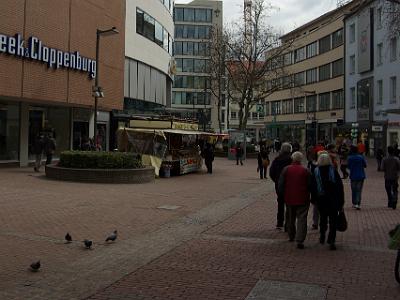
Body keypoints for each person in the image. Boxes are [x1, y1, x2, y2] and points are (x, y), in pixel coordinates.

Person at [278, 152, 312, 249]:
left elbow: (281, 184)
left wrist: (282, 194)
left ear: (292, 159)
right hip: (303, 197)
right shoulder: (306, 170)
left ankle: (291, 235)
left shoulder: (286, 169)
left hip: (289, 197)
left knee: (290, 217)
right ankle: (300, 239)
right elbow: (310, 185)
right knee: (302, 218)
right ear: (301, 159)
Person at [311, 153, 344, 250]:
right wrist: (341, 201)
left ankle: (322, 236)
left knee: (323, 218)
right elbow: (339, 187)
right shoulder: (333, 171)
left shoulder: (316, 171)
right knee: (333, 220)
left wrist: (313, 199)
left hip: (321, 199)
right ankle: (331, 240)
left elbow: (313, 187)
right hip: (333, 199)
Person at [269, 142, 292, 230]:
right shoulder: (291, 160)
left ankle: (279, 222)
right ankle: (288, 223)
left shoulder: (277, 159)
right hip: (290, 185)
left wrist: (276, 180)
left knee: (280, 203)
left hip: (279, 185)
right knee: (289, 204)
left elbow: (271, 172)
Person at [347, 145, 367, 210]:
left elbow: (348, 166)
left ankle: (354, 202)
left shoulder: (349, 158)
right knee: (359, 190)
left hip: (353, 175)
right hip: (361, 175)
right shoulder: (361, 157)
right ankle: (358, 203)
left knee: (353, 189)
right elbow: (365, 165)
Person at [307, 150, 319, 230]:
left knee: (316, 207)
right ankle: (323, 222)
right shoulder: (329, 168)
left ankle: (315, 222)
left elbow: (308, 175)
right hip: (325, 191)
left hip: (315, 189)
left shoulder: (311, 165)